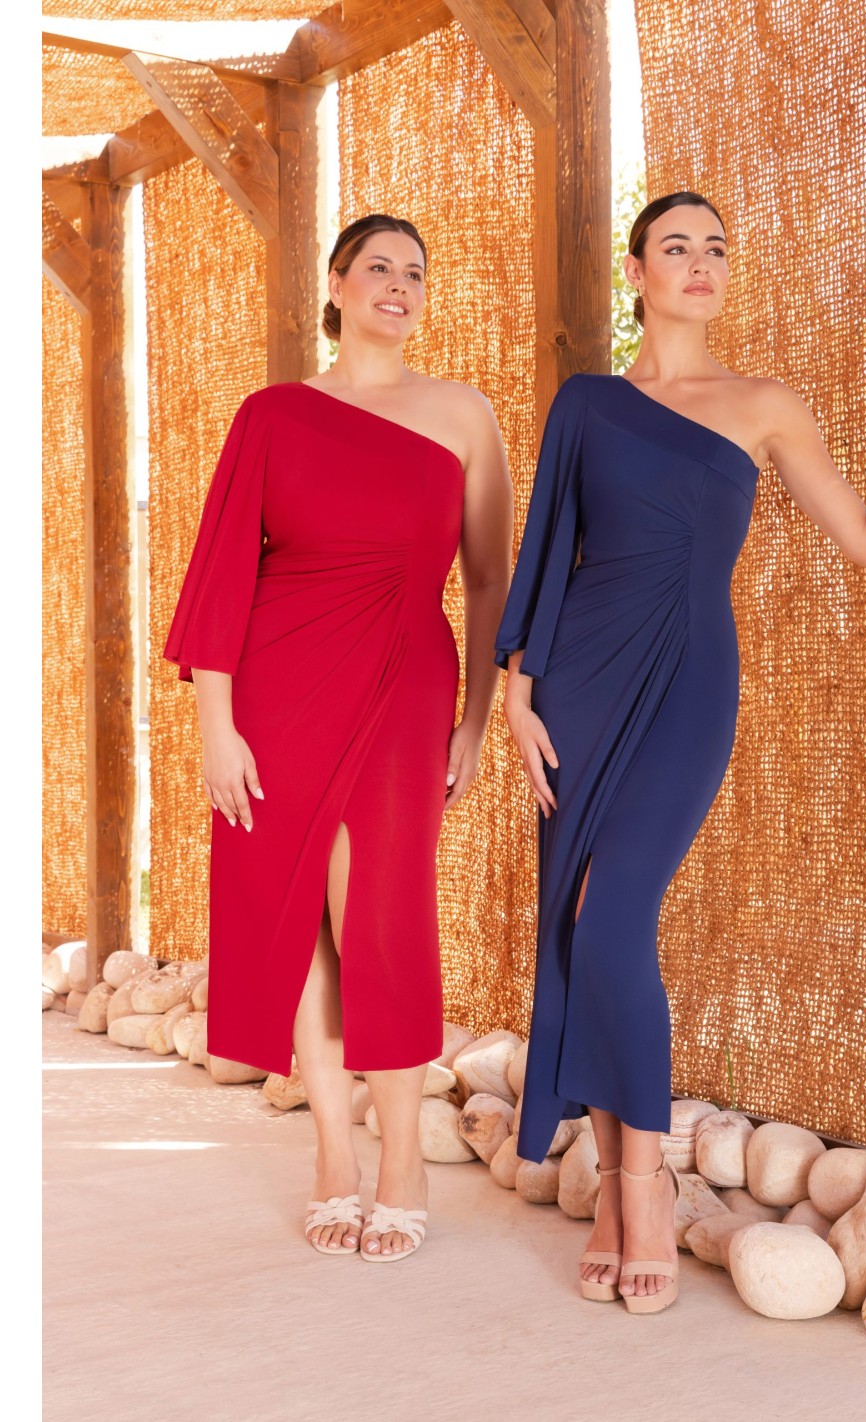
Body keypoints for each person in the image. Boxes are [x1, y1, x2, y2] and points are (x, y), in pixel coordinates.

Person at [496, 191, 866, 1312]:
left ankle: (644, 1185)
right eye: (674, 247)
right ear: (636, 271)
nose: (699, 263)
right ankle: (625, 1189)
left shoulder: (764, 405)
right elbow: (545, 546)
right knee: (580, 927)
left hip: (686, 686)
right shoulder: (586, 403)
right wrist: (517, 689)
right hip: (577, 689)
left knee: (610, 919)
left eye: (715, 248)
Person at [166, 213, 512, 1260]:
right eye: (378, 268)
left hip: (406, 683)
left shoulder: (462, 414)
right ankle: (332, 1155)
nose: (398, 285)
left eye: (414, 271)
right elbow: (223, 569)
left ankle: (402, 1157)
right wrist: (216, 725)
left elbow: (490, 579)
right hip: (277, 689)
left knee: (381, 914)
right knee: (296, 920)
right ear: (336, 283)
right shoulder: (271, 414)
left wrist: (477, 717)